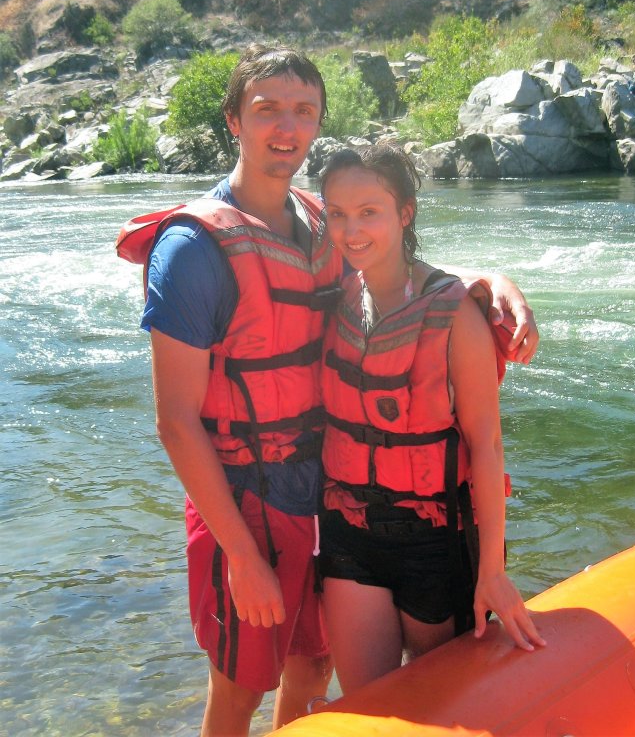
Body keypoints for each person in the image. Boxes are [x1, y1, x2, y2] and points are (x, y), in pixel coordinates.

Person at [116, 44, 539, 737]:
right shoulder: (190, 251)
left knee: (312, 671)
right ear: (233, 121)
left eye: (303, 111)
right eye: (266, 110)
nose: (285, 127)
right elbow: (174, 422)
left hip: (324, 496)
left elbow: (393, 265)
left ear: (316, 124)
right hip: (244, 501)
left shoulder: (321, 222)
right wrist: (243, 558)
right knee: (238, 687)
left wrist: (488, 282)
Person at [317, 144, 546, 695]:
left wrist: (492, 571)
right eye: (337, 214)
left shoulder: (456, 316)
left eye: (369, 212)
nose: (350, 230)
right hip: (350, 530)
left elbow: (487, 447)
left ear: (405, 213)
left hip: (435, 539)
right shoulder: (336, 294)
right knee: (371, 709)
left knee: (443, 709)